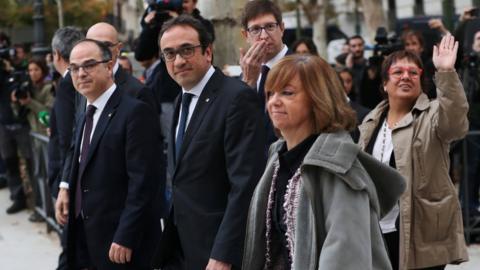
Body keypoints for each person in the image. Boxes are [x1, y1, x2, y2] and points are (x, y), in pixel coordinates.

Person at [242, 54, 405, 270]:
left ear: (317, 99)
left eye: (287, 93)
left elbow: (346, 256)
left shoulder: (337, 165)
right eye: (270, 93)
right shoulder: (277, 157)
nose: (274, 101)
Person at [153, 15, 266, 270]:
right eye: (169, 54)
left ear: (207, 52)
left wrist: (224, 253)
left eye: (186, 50)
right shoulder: (182, 98)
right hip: (185, 248)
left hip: (219, 253)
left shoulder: (236, 99)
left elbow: (245, 185)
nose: (179, 60)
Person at [358, 35, 469, 270]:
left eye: (413, 72)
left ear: (421, 81)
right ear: (385, 84)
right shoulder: (370, 122)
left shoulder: (433, 115)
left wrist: (447, 73)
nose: (406, 76)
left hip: (422, 234)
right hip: (376, 231)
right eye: (398, 72)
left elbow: (456, 123)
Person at [57, 39, 163, 269]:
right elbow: (79, 155)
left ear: (109, 65)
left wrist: (125, 235)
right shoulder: (85, 109)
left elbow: (143, 182)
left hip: (118, 243)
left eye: (89, 65)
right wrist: (65, 187)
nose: (81, 73)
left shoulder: (134, 112)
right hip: (80, 234)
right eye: (74, 68)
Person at [48, 26, 85, 270]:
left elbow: (66, 141)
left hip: (70, 183)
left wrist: (63, 186)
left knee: (70, 254)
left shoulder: (66, 86)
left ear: (56, 56)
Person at [240, 0, 290, 149]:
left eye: (269, 27)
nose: (263, 36)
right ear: (245, 35)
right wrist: (248, 83)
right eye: (255, 29)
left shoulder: (302, 67)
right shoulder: (244, 75)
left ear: (281, 28)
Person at [336, 66, 369, 142]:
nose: (345, 85)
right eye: (340, 81)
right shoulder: (323, 109)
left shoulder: (363, 113)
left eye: (348, 81)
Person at [400, 30, 436, 98]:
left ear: (421, 48)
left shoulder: (430, 65)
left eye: (414, 44)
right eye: (407, 44)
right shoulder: (400, 65)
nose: (410, 48)